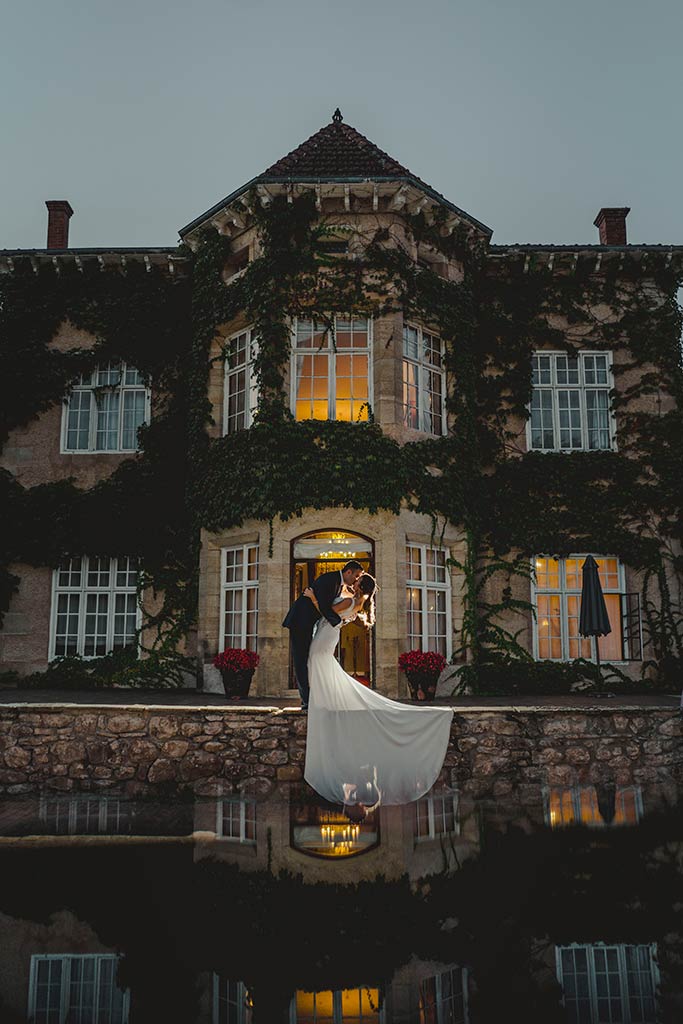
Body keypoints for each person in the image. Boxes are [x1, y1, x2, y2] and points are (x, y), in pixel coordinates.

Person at [303, 573, 454, 806]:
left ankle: (321, 700)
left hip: (325, 636)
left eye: (355, 582)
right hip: (329, 636)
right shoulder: (358, 601)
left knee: (317, 662)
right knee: (321, 665)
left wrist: (313, 598)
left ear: (360, 585)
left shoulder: (351, 602)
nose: (352, 583)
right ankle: (323, 699)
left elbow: (328, 614)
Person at [282, 559, 363, 710]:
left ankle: (313, 697)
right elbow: (326, 608)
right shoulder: (330, 579)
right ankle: (306, 700)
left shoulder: (339, 584)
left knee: (310, 659)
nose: (356, 579)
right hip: (300, 621)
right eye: (356, 576)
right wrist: (338, 621)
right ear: (348, 572)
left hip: (311, 624)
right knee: (301, 660)